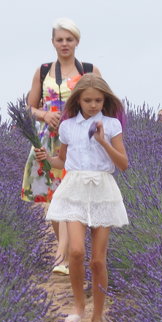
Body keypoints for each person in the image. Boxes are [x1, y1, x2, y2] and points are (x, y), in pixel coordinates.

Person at [34, 73, 128, 322]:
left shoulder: (111, 125)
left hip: (102, 190)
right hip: (74, 189)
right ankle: (78, 305)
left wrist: (102, 142)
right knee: (75, 252)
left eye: (99, 100)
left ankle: (98, 318)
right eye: (88, 100)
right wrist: (46, 158)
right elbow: (62, 162)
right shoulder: (67, 126)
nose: (94, 105)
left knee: (98, 260)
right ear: (79, 100)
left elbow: (123, 164)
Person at [23, 18, 99, 274]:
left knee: (72, 195)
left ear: (77, 41)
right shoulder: (43, 71)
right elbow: (29, 107)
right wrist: (44, 115)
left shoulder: (89, 71)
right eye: (60, 40)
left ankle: (66, 257)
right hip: (46, 139)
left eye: (69, 39)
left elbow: (102, 103)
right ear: (53, 43)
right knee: (52, 197)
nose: (64, 44)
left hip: (78, 141)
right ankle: (65, 256)